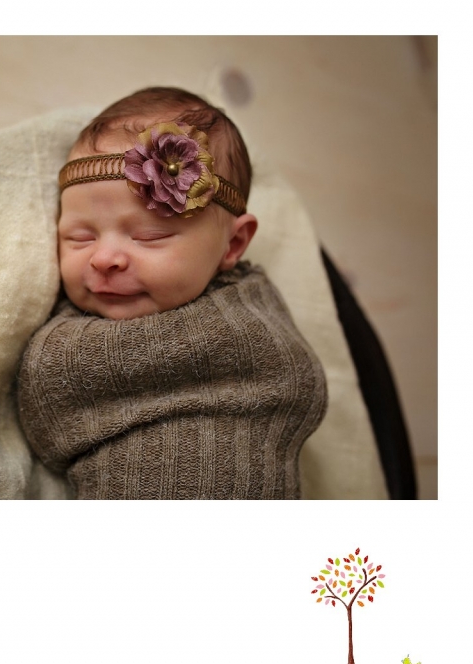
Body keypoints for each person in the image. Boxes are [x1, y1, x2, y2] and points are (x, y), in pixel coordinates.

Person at [16, 87, 328, 499]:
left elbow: (294, 379)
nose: (105, 258)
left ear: (232, 246)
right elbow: (48, 411)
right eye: (79, 236)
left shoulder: (251, 316)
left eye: (149, 236)